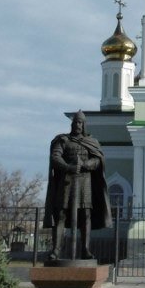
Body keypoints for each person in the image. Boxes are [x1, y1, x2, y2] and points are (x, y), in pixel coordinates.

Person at [43, 111, 112, 262]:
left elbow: (98, 160)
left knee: (85, 216)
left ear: (84, 125)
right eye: (75, 122)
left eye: (80, 123)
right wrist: (68, 167)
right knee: (61, 214)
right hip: (66, 182)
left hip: (85, 183)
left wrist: (87, 164)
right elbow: (55, 157)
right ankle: (56, 250)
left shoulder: (91, 142)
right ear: (72, 124)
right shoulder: (63, 140)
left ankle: (85, 249)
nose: (77, 125)